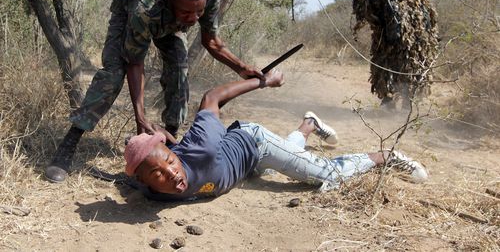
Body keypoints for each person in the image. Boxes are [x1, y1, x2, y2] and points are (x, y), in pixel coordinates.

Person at [45, 0, 264, 183]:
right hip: (130, 3)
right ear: (171, 2)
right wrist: (140, 117)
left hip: (167, 12)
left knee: (179, 71)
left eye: (198, 12)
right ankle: (69, 144)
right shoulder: (144, 8)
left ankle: (170, 139)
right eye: (187, 13)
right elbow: (134, 61)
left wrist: (242, 68)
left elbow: (212, 41)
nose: (193, 19)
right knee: (113, 74)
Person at [124, 69, 428, 201]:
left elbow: (211, 98)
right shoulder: (149, 193)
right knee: (288, 154)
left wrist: (264, 82)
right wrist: (150, 142)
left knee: (327, 175)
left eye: (169, 162)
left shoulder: (202, 147)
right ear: (143, 181)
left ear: (172, 153)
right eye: (158, 174)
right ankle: (308, 124)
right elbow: (149, 165)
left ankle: (384, 156)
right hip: (246, 166)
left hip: (254, 143)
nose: (171, 173)